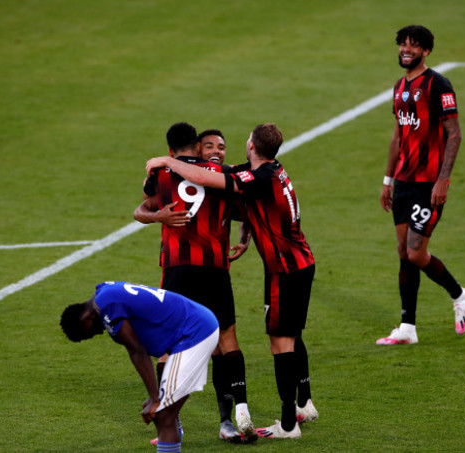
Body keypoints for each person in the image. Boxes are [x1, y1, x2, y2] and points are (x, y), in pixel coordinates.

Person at [146, 122, 319, 440]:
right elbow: (240, 196)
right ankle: (300, 405)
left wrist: (168, 161)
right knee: (287, 335)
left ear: (251, 146)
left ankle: (288, 424)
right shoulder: (268, 170)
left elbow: (203, 178)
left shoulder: (258, 176)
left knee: (281, 341)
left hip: (285, 268)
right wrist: (245, 232)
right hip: (293, 263)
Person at [133, 123, 256, 444]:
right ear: (197, 146)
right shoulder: (222, 175)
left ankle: (171, 424)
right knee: (225, 340)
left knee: (168, 346)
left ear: (171, 149)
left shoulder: (159, 175)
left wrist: (159, 216)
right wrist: (244, 236)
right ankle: (229, 420)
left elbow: (140, 210)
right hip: (215, 268)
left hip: (176, 269)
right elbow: (247, 210)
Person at [377, 25, 465, 346]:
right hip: (403, 181)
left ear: (426, 51)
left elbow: (455, 133)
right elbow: (396, 136)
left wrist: (443, 179)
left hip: (428, 183)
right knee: (404, 252)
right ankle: (407, 327)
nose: (406, 49)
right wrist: (387, 180)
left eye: (414, 45)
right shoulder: (399, 86)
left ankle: (460, 295)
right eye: (403, 44)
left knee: (417, 253)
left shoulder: (438, 84)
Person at [59, 281, 219, 453]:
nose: (97, 333)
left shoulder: (108, 308)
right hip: (190, 328)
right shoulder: (102, 293)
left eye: (88, 333)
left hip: (195, 332)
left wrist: (155, 398)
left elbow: (137, 351)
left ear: (86, 318)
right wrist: (154, 397)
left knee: (164, 416)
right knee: (164, 415)